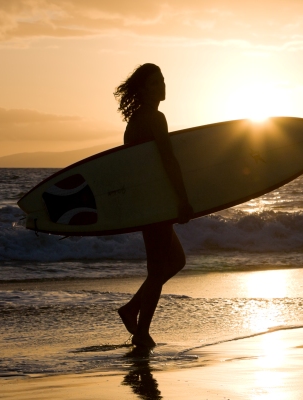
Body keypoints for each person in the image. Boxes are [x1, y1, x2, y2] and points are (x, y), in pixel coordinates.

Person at [113, 63, 193, 349]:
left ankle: (132, 309)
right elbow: (168, 161)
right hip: (157, 203)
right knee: (159, 269)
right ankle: (141, 332)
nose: (162, 85)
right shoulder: (155, 118)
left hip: (147, 202)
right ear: (144, 89)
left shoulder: (134, 121)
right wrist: (182, 200)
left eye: (162, 80)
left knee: (173, 262)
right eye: (155, 82)